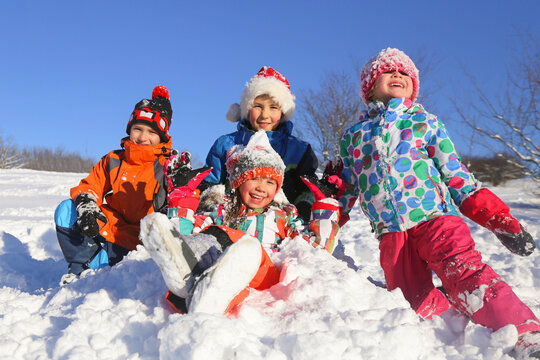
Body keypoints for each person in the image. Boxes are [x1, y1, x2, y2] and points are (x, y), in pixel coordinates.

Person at [337, 47, 539, 358]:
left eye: (405, 73)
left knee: (467, 273)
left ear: (413, 87)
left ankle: (525, 333)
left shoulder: (424, 122)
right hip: (391, 234)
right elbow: (345, 186)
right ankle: (451, 315)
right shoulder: (353, 136)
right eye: (388, 71)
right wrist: (325, 217)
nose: (398, 75)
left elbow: (458, 176)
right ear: (369, 87)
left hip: (436, 220)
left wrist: (499, 219)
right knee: (409, 299)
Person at [140, 130, 341, 315]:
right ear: (238, 182)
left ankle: (195, 281)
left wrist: (326, 205)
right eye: (253, 178)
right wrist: (181, 197)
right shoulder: (221, 209)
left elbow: (316, 248)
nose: (262, 187)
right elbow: (188, 234)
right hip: (226, 280)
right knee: (210, 237)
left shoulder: (283, 216)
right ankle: (195, 287)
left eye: (270, 182)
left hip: (263, 275)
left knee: (247, 247)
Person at [54, 85, 175, 285]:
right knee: (67, 210)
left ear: (162, 137)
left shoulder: (167, 165)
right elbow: (90, 185)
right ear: (129, 129)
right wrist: (87, 203)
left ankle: (113, 265)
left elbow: (184, 198)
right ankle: (82, 266)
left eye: (151, 132)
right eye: (138, 129)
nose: (143, 137)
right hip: (111, 231)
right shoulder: (113, 160)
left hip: (143, 244)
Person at [204, 66, 318, 221]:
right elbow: (210, 183)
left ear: (283, 112)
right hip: (230, 221)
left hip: (281, 226)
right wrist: (212, 205)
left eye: (273, 107)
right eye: (257, 106)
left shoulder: (299, 150)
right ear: (247, 109)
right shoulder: (225, 144)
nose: (265, 115)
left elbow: (307, 190)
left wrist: (303, 210)